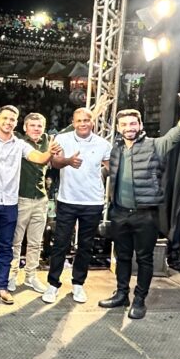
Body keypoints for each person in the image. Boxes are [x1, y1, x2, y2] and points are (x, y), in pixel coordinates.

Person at [99, 80, 180, 319]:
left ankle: (139, 300)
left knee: (144, 259)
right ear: (119, 128)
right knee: (122, 257)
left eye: (133, 123)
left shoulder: (155, 146)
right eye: (124, 124)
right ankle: (121, 294)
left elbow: (178, 132)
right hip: (119, 213)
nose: (129, 127)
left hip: (145, 215)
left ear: (140, 125)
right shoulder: (115, 150)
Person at [0, 102, 59, 305]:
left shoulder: (20, 144)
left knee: (6, 247)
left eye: (12, 119)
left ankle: (1, 286)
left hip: (10, 203)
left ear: (16, 123)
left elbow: (39, 158)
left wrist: (50, 152)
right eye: (5, 118)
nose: (8, 122)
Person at [43, 107, 111, 305]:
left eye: (86, 120)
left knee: (85, 245)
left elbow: (111, 168)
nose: (82, 123)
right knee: (60, 243)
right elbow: (55, 163)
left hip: (93, 202)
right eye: (79, 120)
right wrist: (68, 161)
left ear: (92, 122)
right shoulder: (63, 139)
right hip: (67, 200)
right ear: (73, 122)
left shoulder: (103, 144)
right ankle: (53, 284)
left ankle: (78, 284)